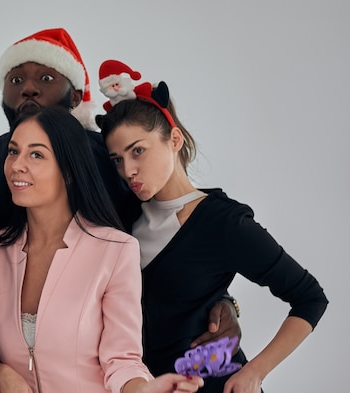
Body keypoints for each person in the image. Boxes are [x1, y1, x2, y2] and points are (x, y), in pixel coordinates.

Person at [0, 26, 241, 349]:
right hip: (13, 344)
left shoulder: (110, 157)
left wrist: (220, 298)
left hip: (123, 342)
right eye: (16, 80)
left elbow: (167, 228)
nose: (28, 89)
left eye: (45, 79)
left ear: (74, 95)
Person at [96, 60, 329, 392]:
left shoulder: (224, 222)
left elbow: (310, 297)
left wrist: (255, 373)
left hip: (214, 383)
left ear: (173, 139)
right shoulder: (123, 216)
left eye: (138, 151)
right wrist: (226, 301)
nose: (128, 170)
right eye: (118, 159)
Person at [0, 106, 204, 393]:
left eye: (36, 154)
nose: (16, 165)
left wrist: (143, 389)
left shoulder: (115, 251)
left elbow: (122, 359)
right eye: (14, 151)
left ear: (68, 170)